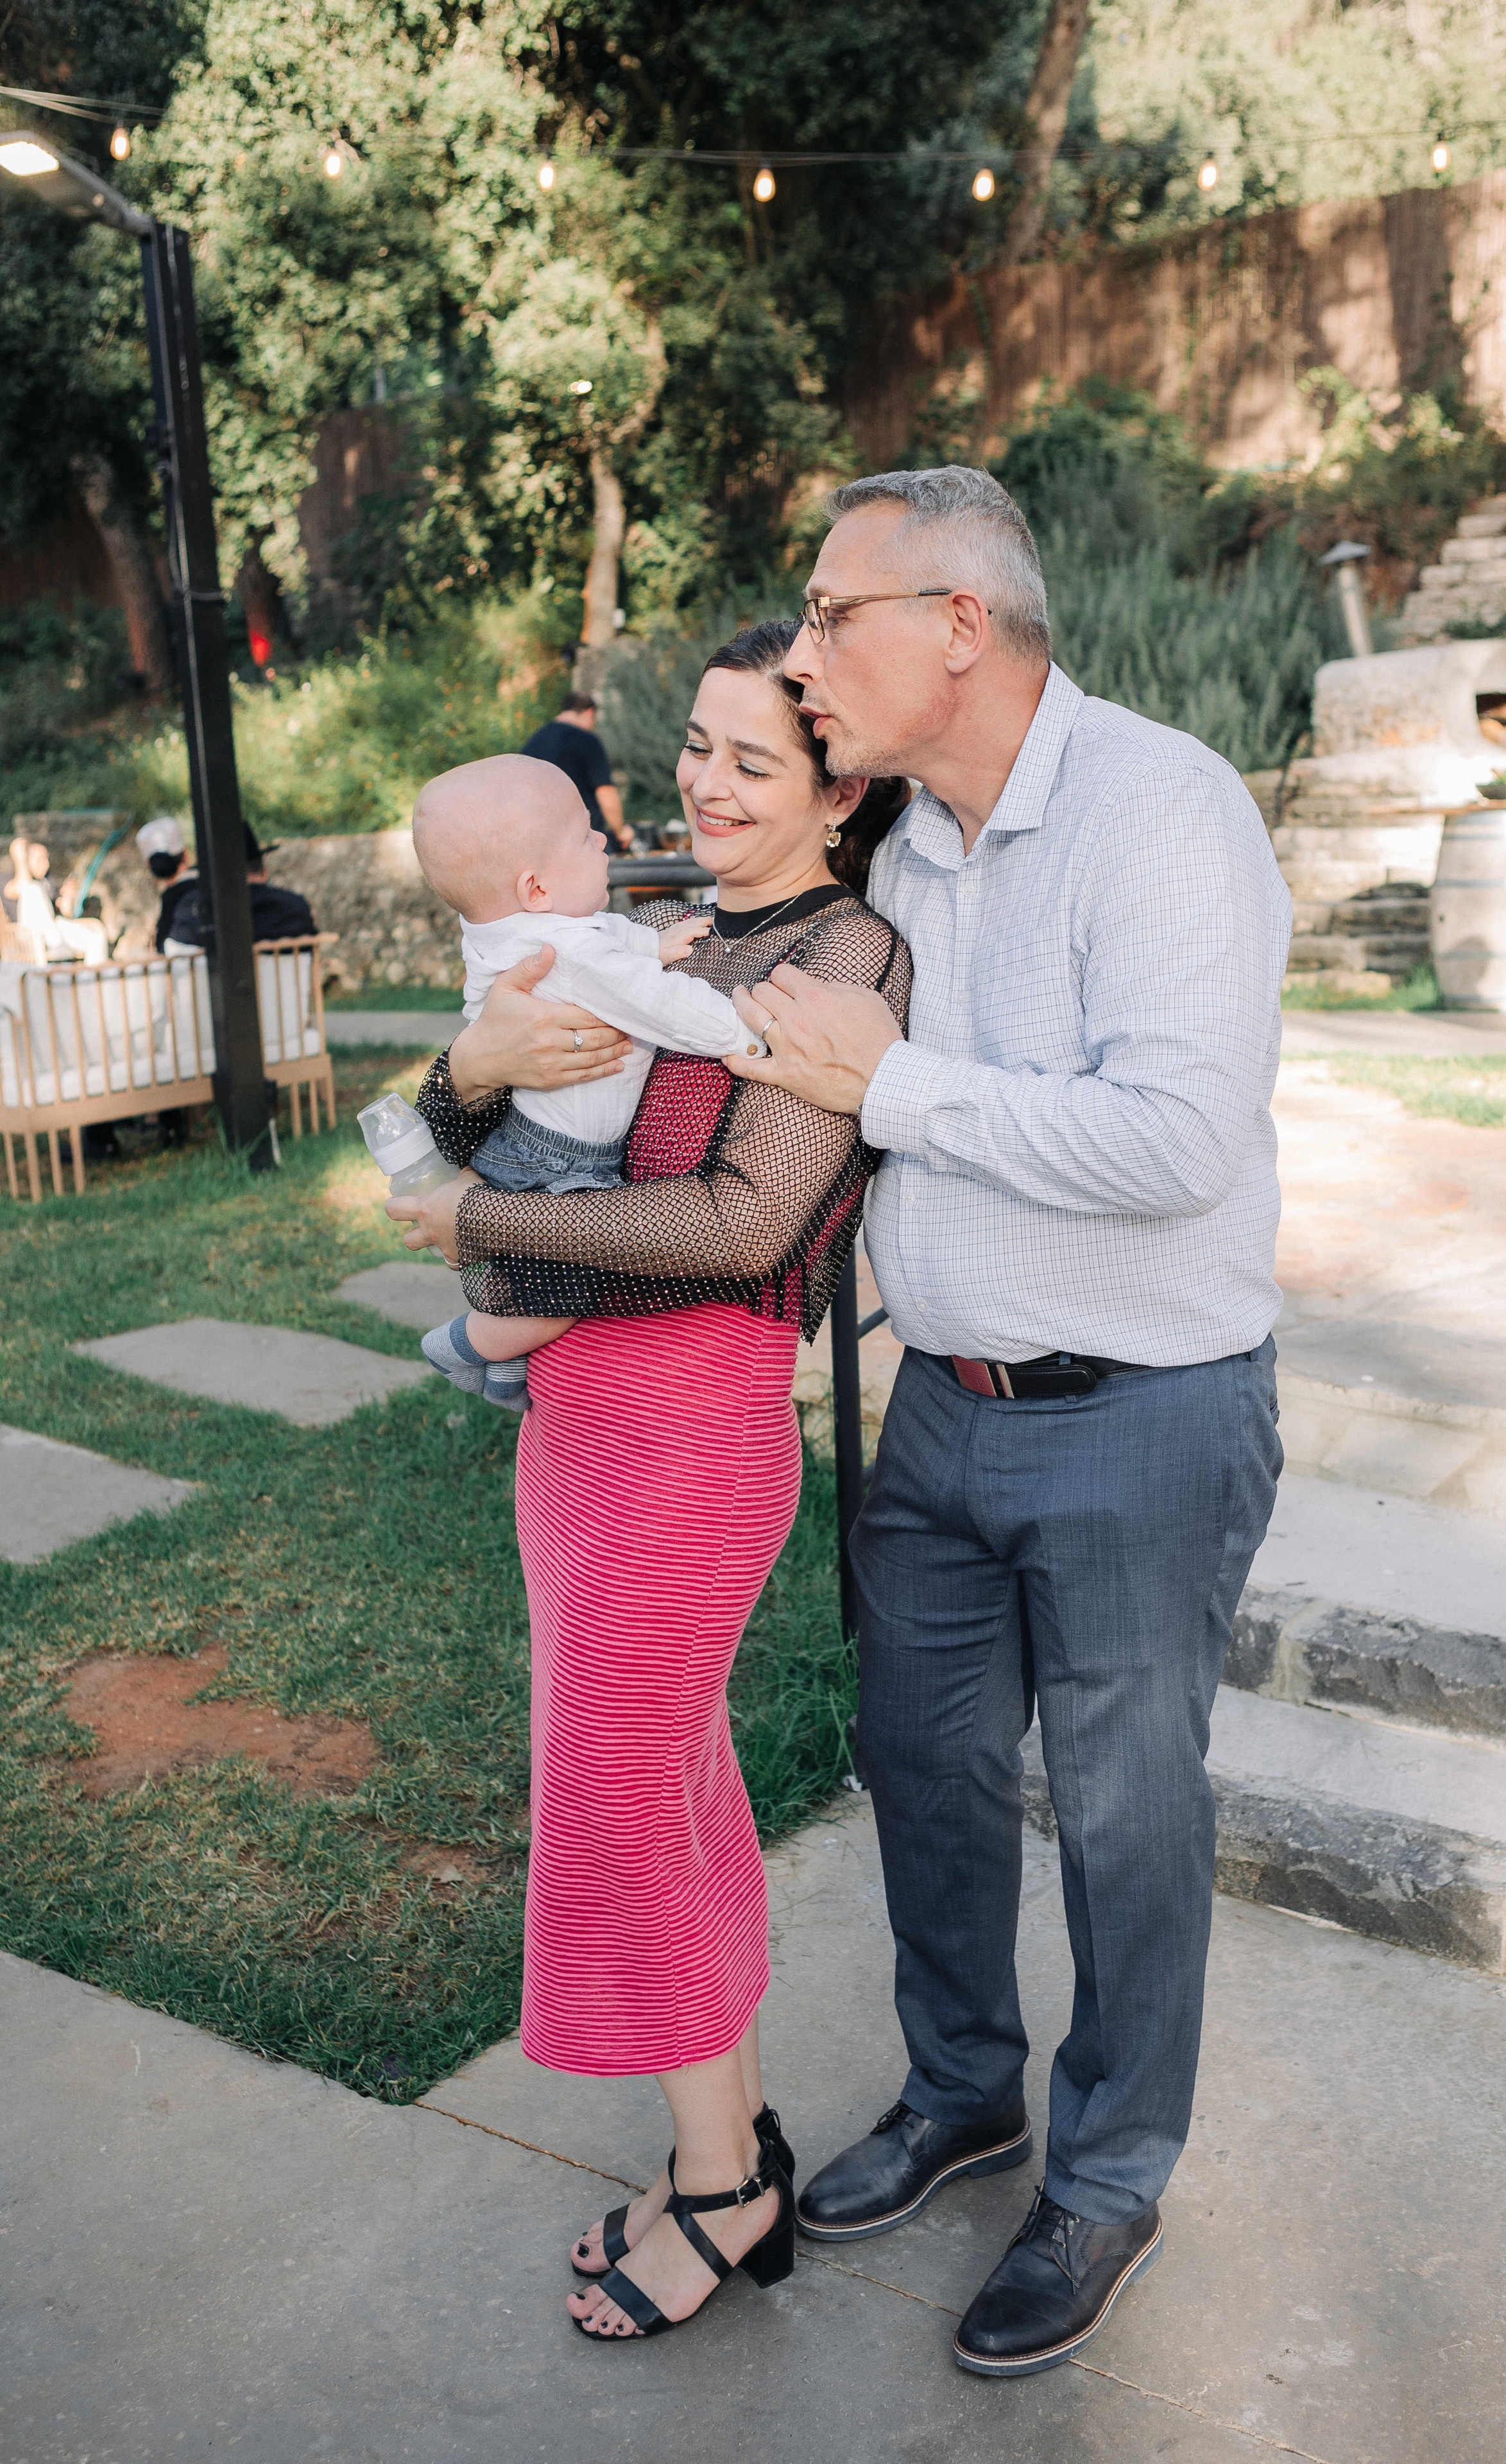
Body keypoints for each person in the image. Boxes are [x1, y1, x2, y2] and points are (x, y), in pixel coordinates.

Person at [719, 466, 1290, 2379]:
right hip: (938, 1423)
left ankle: (1108, 2169)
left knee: (1126, 1822)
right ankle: (966, 2085)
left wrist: (902, 1087)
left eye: (828, 616)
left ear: (958, 622)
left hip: (1142, 1414)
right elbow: (799, 1055)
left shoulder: (1160, 810)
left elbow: (1171, 1139)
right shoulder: (895, 850)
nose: (802, 661)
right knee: (926, 1771)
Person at [386, 619, 912, 2345]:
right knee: (673, 1789)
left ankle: (717, 2190)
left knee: (618, 1788)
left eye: (753, 762)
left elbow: (744, 1224)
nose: (704, 782)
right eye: (695, 746)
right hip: (577, 1435)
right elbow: (438, 1115)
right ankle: (734, 2140)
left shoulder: (845, 951)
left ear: (844, 783)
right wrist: (467, 1083)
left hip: (692, 1431)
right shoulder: (652, 920)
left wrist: (484, 1241)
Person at [406, 753, 764, 1409]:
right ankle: (466, 1345)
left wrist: (651, 946)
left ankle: (511, 1372)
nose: (604, 840)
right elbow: (663, 1007)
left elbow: (608, 937)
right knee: (569, 1291)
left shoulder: (534, 933)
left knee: (538, 1281)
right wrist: (749, 1036)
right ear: (537, 888)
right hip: (561, 1160)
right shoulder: (565, 955)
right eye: (585, 835)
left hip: (531, 1137)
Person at [164, 826, 316, 952]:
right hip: (287, 989)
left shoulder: (194, 912)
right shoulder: (296, 908)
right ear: (264, 872)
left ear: (216, 877)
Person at [520, 689, 635, 851]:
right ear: (590, 713)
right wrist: (621, 830)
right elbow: (605, 792)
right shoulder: (587, 741)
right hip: (583, 841)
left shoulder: (534, 742)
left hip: (541, 841)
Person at [135, 816, 198, 952]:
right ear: (186, 855)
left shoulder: (170, 898)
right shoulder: (210, 883)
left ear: (150, 867)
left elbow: (162, 948)